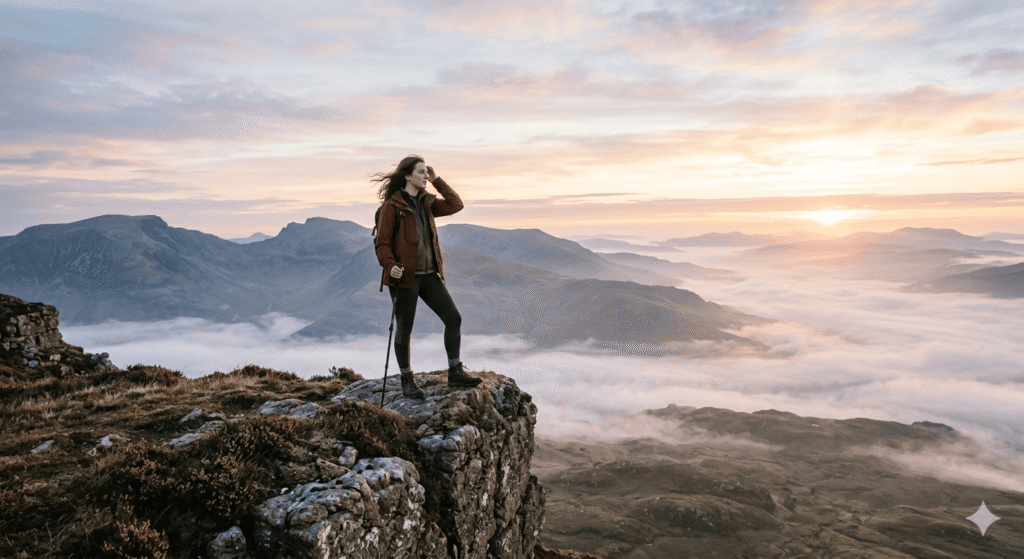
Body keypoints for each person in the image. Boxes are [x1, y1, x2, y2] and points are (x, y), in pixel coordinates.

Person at [373, 155, 482, 400]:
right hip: (404, 278)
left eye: (426, 172)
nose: (425, 175)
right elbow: (382, 244)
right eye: (421, 172)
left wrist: (437, 180)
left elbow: (456, 205)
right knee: (404, 330)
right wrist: (390, 266)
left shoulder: (426, 203)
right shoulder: (392, 207)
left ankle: (455, 372)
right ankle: (407, 380)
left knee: (453, 319)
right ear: (407, 176)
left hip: (430, 274)